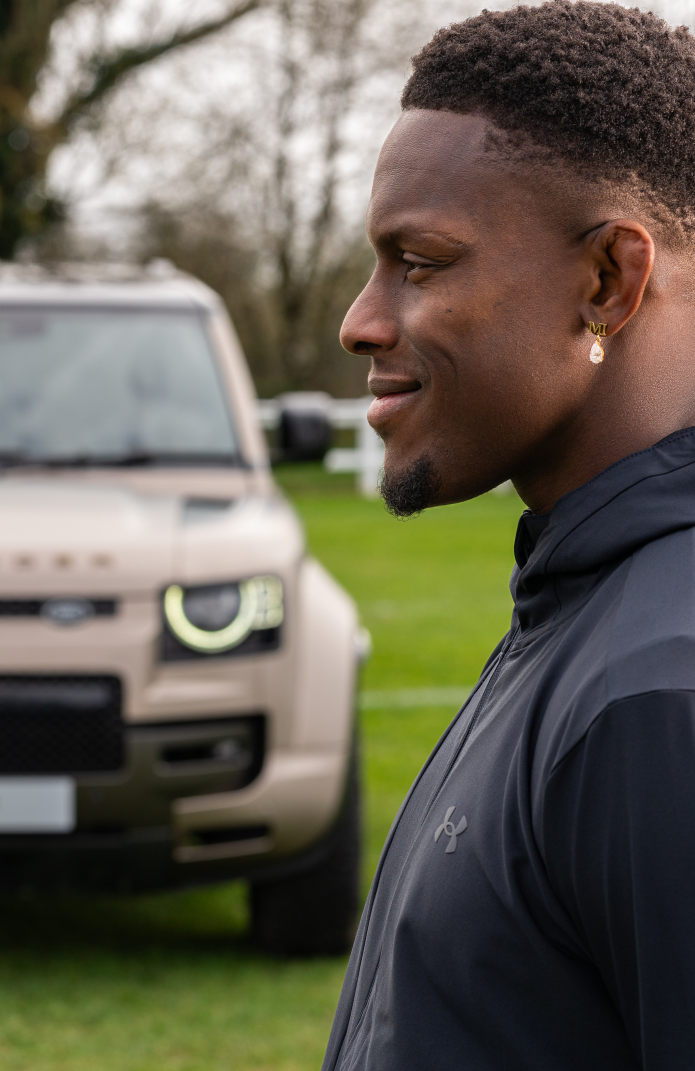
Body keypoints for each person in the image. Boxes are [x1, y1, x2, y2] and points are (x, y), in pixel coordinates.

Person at [324, 4, 695, 1069]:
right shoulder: (589, 606)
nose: (361, 319)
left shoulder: (662, 691)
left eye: (420, 262)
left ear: (607, 283)